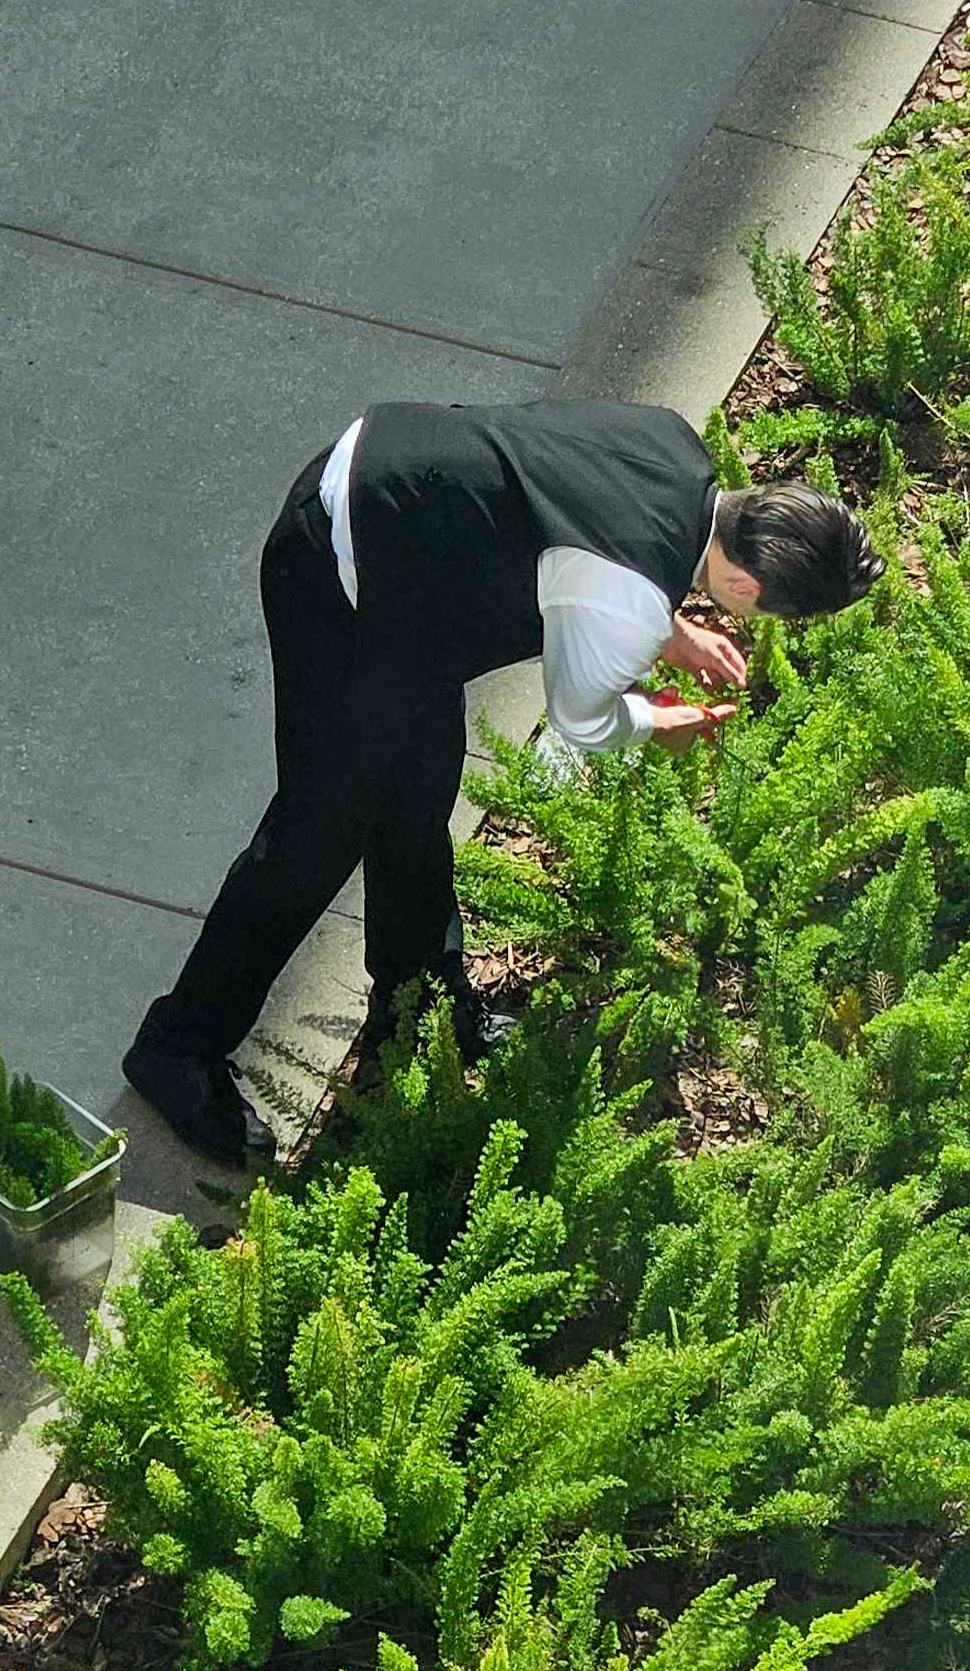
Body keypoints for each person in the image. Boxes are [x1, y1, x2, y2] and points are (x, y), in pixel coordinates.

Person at [123, 397, 883, 1165]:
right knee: (317, 835)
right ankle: (175, 1051)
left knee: (415, 794)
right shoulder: (624, 603)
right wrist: (661, 720)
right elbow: (584, 721)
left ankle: (421, 999)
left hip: (388, 494)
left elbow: (561, 515)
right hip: (339, 570)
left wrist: (668, 625)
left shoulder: (675, 449)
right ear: (752, 593)